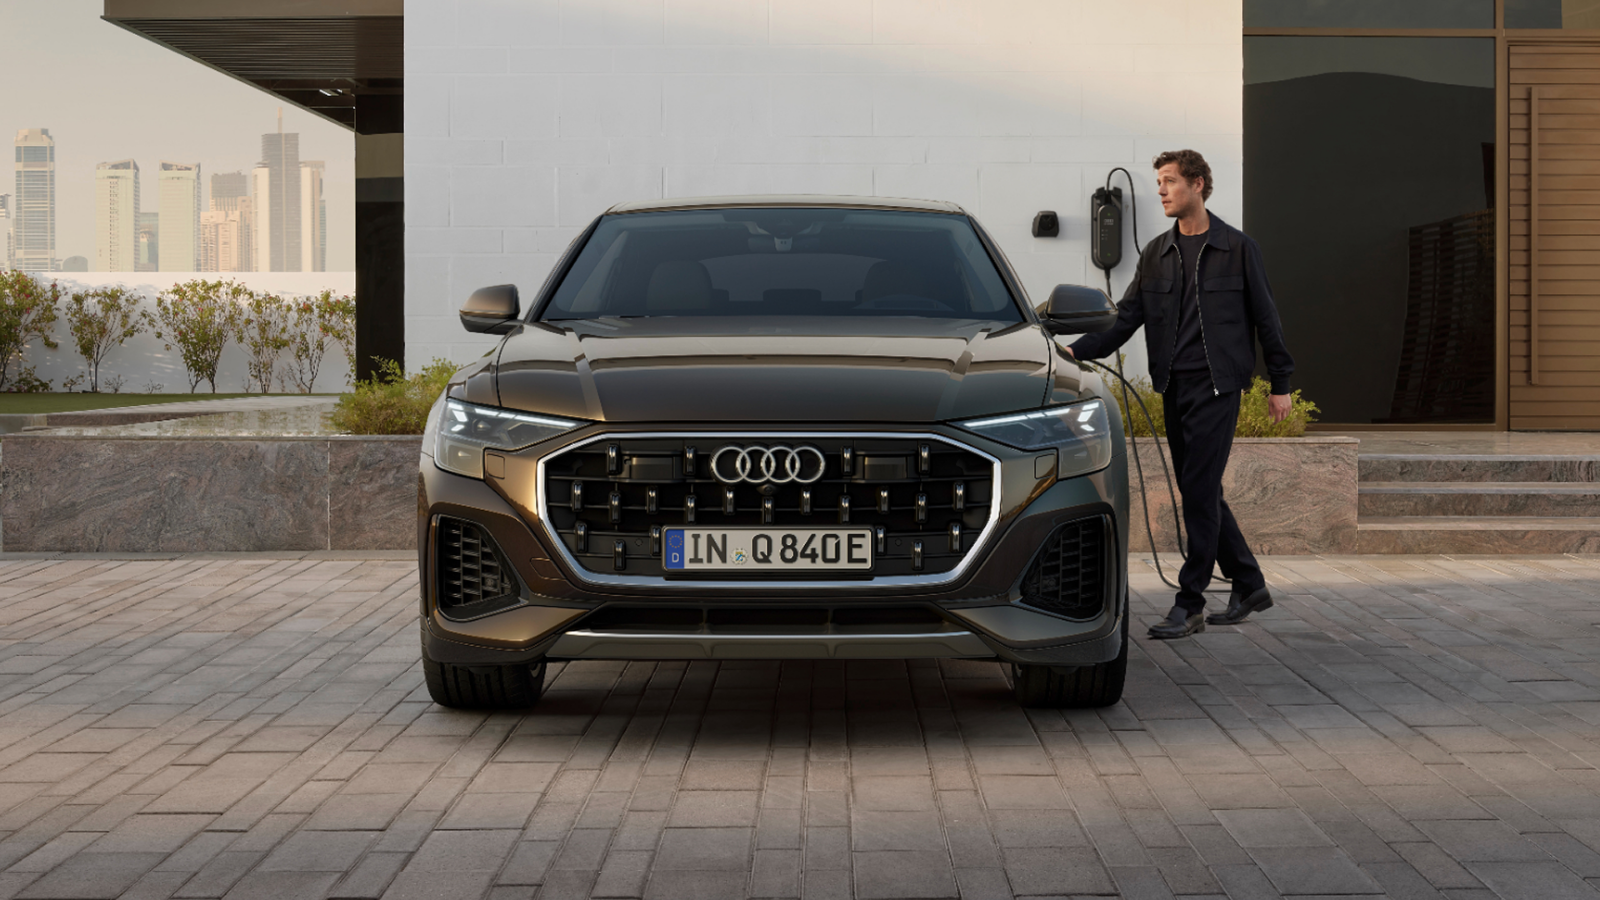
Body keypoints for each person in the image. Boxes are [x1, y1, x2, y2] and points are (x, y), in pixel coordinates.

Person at [1063, 150, 1295, 639]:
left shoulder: (1237, 248)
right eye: (1159, 182)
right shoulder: (1156, 254)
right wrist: (1072, 351)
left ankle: (1189, 602)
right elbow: (1124, 321)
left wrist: (1281, 385)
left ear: (1199, 184)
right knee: (1201, 490)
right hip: (1175, 385)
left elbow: (1267, 320)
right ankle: (1249, 583)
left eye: (1169, 182)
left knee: (1198, 493)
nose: (1161, 191)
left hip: (1218, 387)